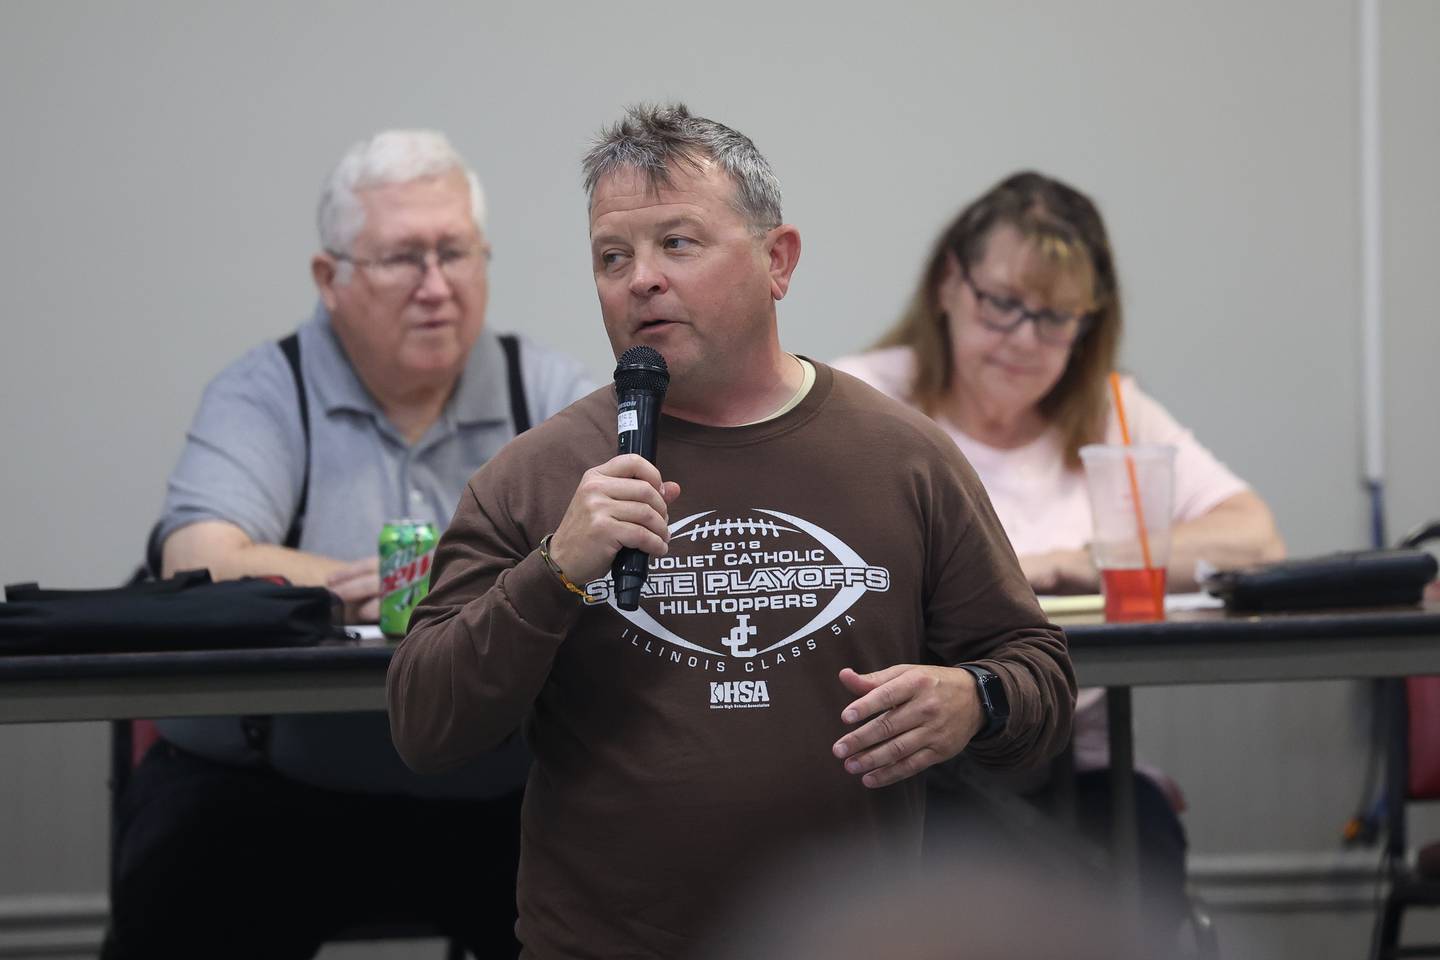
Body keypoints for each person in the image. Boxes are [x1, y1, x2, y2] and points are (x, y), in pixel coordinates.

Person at [388, 104, 1076, 960]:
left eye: (677, 244)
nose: (640, 279)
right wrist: (554, 571)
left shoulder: (902, 458)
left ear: (777, 260)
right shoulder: (536, 476)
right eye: (613, 257)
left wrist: (976, 698)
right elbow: (424, 724)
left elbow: (1039, 671)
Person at [104, 130, 593, 960]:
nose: (436, 288)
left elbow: (625, 536)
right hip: (274, 790)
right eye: (404, 259)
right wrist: (374, 581)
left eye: (457, 254)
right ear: (330, 279)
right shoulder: (270, 389)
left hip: (496, 792)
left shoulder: (539, 388)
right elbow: (195, 554)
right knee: (177, 894)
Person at [832, 170, 1286, 945]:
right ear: (949, 282)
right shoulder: (864, 400)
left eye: (1054, 317)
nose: (1023, 338)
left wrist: (1079, 559)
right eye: (1002, 304)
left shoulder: (1109, 411)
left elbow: (1256, 539)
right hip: (920, 761)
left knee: (1141, 854)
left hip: (1086, 765)